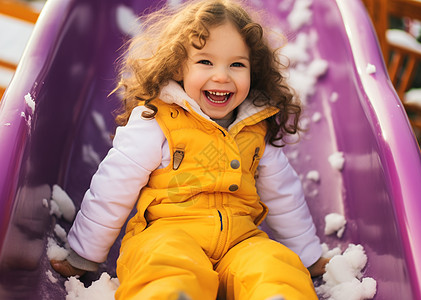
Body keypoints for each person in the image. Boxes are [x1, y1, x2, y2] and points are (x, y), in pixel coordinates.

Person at [51, 0, 329, 299]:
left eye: (237, 64)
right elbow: (115, 183)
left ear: (254, 70)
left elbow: (283, 194)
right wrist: (84, 253)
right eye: (205, 62)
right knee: (164, 264)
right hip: (169, 232)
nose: (222, 75)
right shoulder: (157, 120)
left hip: (240, 240)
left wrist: (307, 256)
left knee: (274, 264)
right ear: (179, 66)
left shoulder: (255, 128)